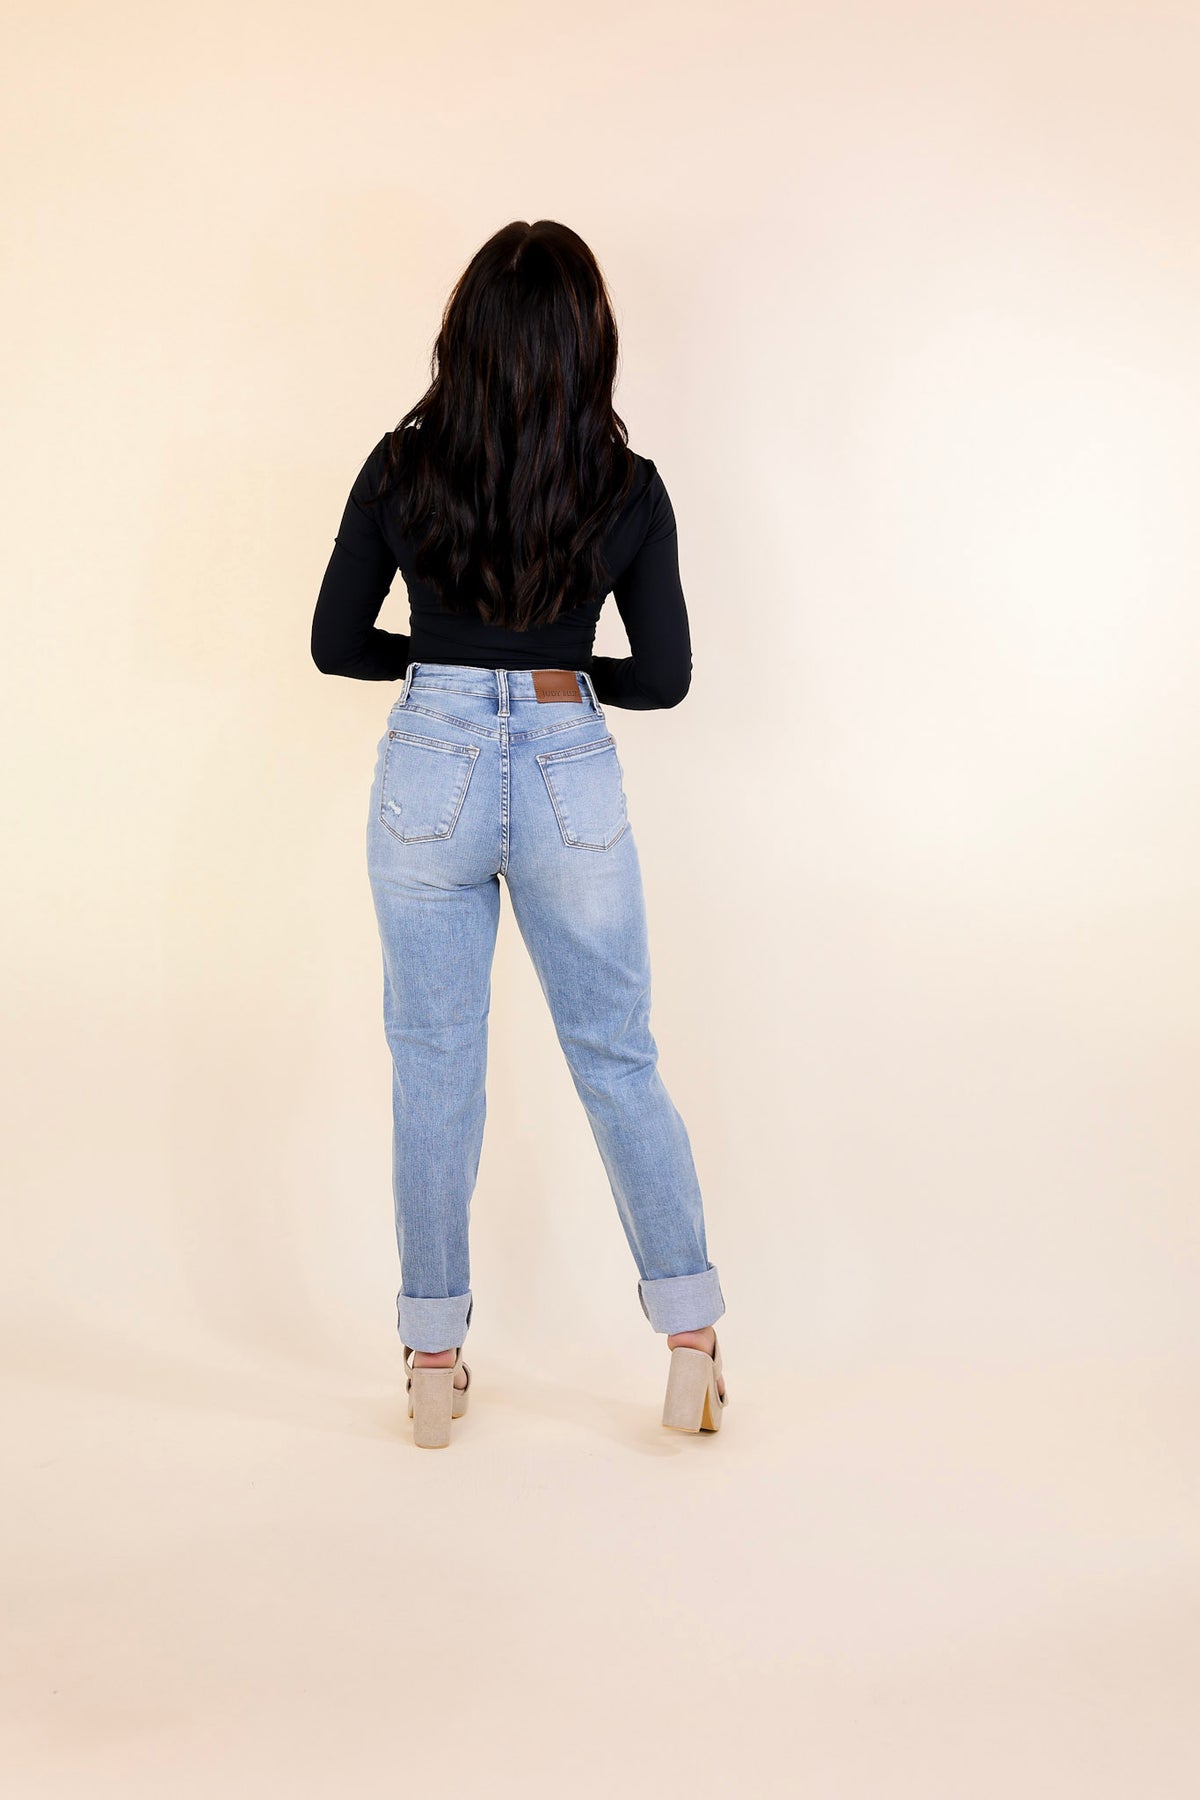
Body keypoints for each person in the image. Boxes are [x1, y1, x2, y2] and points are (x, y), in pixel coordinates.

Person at [311, 219, 727, 1447]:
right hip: (565, 765)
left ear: (468, 335)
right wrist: (555, 669)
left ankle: (432, 1364)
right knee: (618, 1059)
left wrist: (447, 660)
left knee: (433, 1066)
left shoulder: (400, 466)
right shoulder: (626, 484)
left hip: (427, 765)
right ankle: (692, 1346)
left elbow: (336, 646)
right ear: (588, 341)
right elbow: (665, 678)